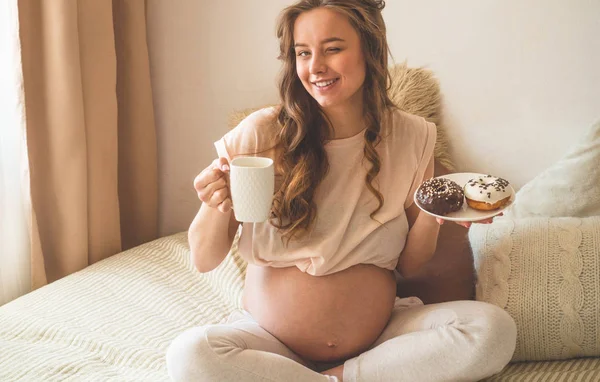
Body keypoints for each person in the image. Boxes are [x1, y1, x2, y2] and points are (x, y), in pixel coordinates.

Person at [167, 1, 517, 381]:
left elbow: (411, 267)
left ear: (369, 49)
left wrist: (436, 217)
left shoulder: (411, 136)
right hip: (268, 340)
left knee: (491, 330)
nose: (315, 67)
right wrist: (212, 204)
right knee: (191, 354)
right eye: (303, 53)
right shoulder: (260, 133)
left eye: (332, 49)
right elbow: (204, 259)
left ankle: (340, 376)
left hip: (381, 338)